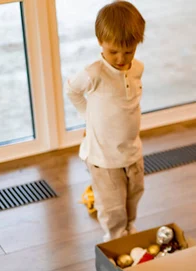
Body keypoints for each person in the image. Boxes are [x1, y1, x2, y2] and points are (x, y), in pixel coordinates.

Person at [66, 1, 146, 241]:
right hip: (104, 156)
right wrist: (87, 118)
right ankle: (114, 238)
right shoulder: (95, 73)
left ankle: (129, 230)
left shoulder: (137, 68)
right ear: (100, 42)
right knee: (112, 205)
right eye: (114, 52)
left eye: (128, 51)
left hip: (132, 150)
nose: (121, 58)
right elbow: (72, 91)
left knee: (134, 193)